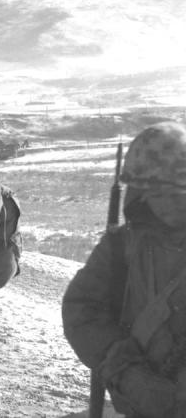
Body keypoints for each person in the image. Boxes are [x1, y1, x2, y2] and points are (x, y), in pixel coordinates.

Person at [63, 121, 186, 418]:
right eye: (158, 195)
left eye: (178, 193)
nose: (171, 205)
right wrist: (125, 372)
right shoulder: (121, 247)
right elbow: (81, 311)